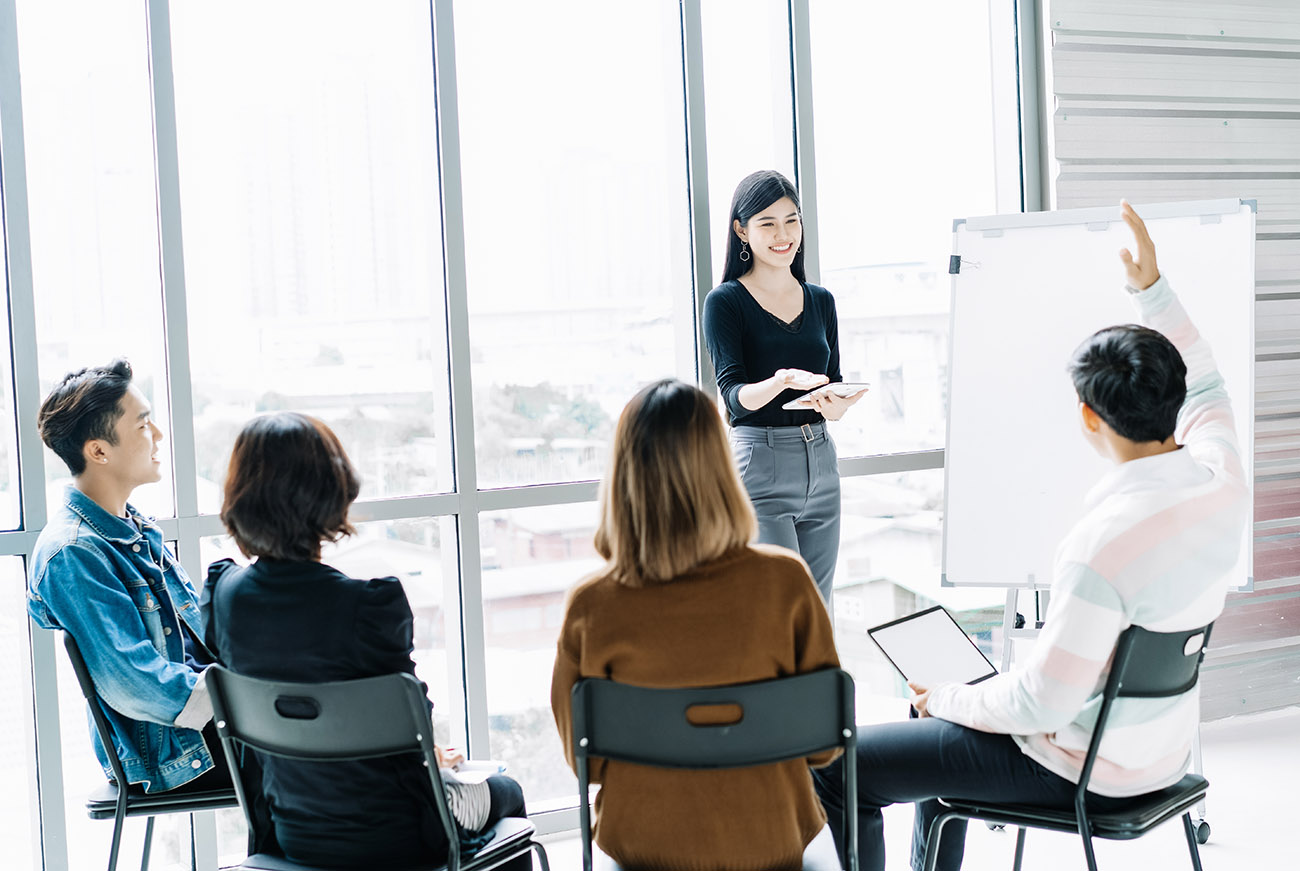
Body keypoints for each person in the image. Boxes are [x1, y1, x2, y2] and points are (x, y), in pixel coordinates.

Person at [811, 201, 1250, 871]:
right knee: (943, 748)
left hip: (1086, 771)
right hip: (1161, 754)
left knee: (845, 765)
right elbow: (1210, 381)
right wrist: (1152, 289)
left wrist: (947, 696)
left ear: (1088, 417)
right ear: (1175, 402)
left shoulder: (1103, 544)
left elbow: (1041, 702)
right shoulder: (1222, 482)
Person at [201, 412, 530, 870]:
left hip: (292, 835)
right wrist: (435, 758)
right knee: (505, 792)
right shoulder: (369, 604)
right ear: (333, 490)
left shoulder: (224, 595)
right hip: (400, 836)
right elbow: (409, 720)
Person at [551, 378, 842, 871]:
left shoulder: (591, 605)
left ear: (622, 475)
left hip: (643, 845)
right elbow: (826, 744)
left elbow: (587, 762)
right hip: (771, 840)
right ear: (721, 468)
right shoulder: (785, 582)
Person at [27, 359, 228, 796]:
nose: (157, 436)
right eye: (143, 425)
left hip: (212, 725)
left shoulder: (132, 528)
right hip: (178, 749)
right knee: (355, 748)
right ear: (99, 451)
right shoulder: (74, 552)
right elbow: (133, 681)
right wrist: (242, 701)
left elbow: (198, 637)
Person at [702, 170, 866, 607]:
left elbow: (830, 391)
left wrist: (837, 404)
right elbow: (734, 398)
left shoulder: (820, 300)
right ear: (742, 230)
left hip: (821, 459)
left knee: (817, 607)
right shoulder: (726, 302)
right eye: (767, 223)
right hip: (760, 462)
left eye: (791, 221)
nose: (783, 234)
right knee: (780, 610)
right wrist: (778, 384)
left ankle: (824, 679)